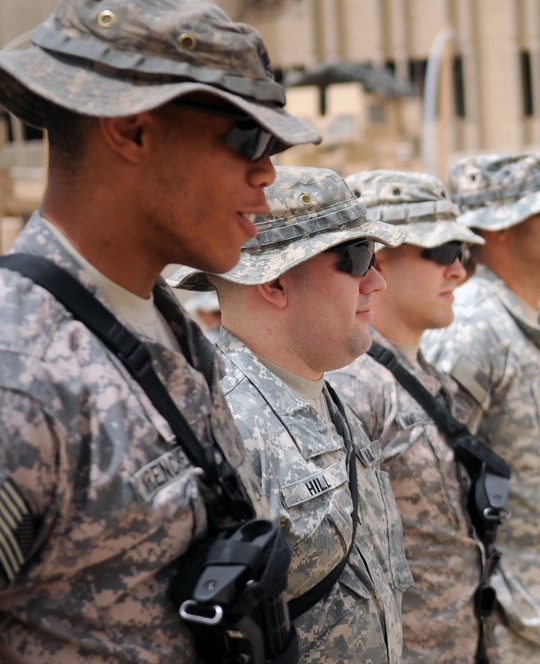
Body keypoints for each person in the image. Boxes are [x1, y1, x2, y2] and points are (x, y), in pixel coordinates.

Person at [0, 0, 320, 660]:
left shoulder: (161, 325)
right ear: (133, 131)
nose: (268, 175)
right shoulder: (21, 376)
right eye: (246, 140)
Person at [169, 165, 413, 663]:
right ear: (276, 282)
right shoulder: (220, 429)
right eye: (357, 258)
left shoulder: (325, 396)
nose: (378, 282)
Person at [326, 169, 492, 663]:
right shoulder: (352, 385)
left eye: (461, 255)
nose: (459, 271)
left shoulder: (424, 374)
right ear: (378, 256)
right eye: (442, 253)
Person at [422, 153, 540, 664]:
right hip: (500, 607)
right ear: (497, 230)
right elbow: (436, 477)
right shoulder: (473, 326)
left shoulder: (532, 319)